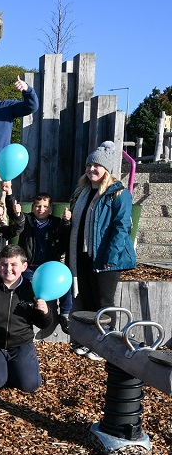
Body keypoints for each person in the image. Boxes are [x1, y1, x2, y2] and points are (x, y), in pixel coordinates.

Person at [67, 141, 136, 359]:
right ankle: (89, 342)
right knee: (87, 301)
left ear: (106, 169)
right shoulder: (82, 192)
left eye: (97, 166)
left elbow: (121, 226)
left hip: (106, 257)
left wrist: (111, 257)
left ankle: (105, 344)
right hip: (84, 256)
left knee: (104, 303)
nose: (91, 170)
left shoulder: (118, 194)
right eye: (89, 165)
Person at [0, 245, 55, 392]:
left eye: (14, 265)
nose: (8, 269)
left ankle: (16, 366)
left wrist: (45, 312)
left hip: (20, 344)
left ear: (24, 266)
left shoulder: (31, 290)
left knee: (30, 385)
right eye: (4, 264)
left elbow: (43, 324)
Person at [17, 192, 72, 329]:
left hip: (51, 266)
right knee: (28, 284)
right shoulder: (27, 221)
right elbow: (16, 219)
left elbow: (63, 235)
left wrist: (66, 222)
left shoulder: (55, 222)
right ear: (32, 207)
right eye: (37, 206)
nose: (41, 209)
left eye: (45, 206)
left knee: (66, 283)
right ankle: (31, 313)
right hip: (31, 265)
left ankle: (65, 314)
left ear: (50, 209)